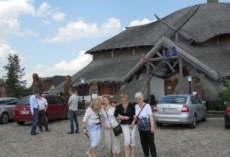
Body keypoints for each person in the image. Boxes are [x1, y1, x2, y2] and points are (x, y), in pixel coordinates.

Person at [134, 92, 157, 157]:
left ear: (143, 98)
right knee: (143, 143)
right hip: (141, 128)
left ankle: (154, 155)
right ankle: (146, 155)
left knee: (151, 143)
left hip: (148, 127)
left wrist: (152, 126)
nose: (139, 100)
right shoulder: (136, 106)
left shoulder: (147, 106)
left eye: (140, 98)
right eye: (137, 99)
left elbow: (151, 116)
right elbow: (136, 116)